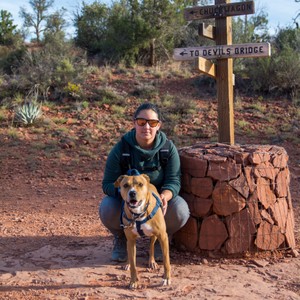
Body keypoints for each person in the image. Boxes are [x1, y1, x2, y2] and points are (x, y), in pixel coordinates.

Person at [99, 102, 190, 262]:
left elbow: (174, 181)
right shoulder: (121, 149)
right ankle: (122, 237)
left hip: (156, 201)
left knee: (180, 210)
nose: (146, 127)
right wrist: (125, 193)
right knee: (107, 207)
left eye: (152, 123)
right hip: (127, 201)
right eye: (142, 122)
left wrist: (165, 196)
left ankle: (160, 237)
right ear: (134, 123)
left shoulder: (167, 149)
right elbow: (107, 183)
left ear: (158, 126)